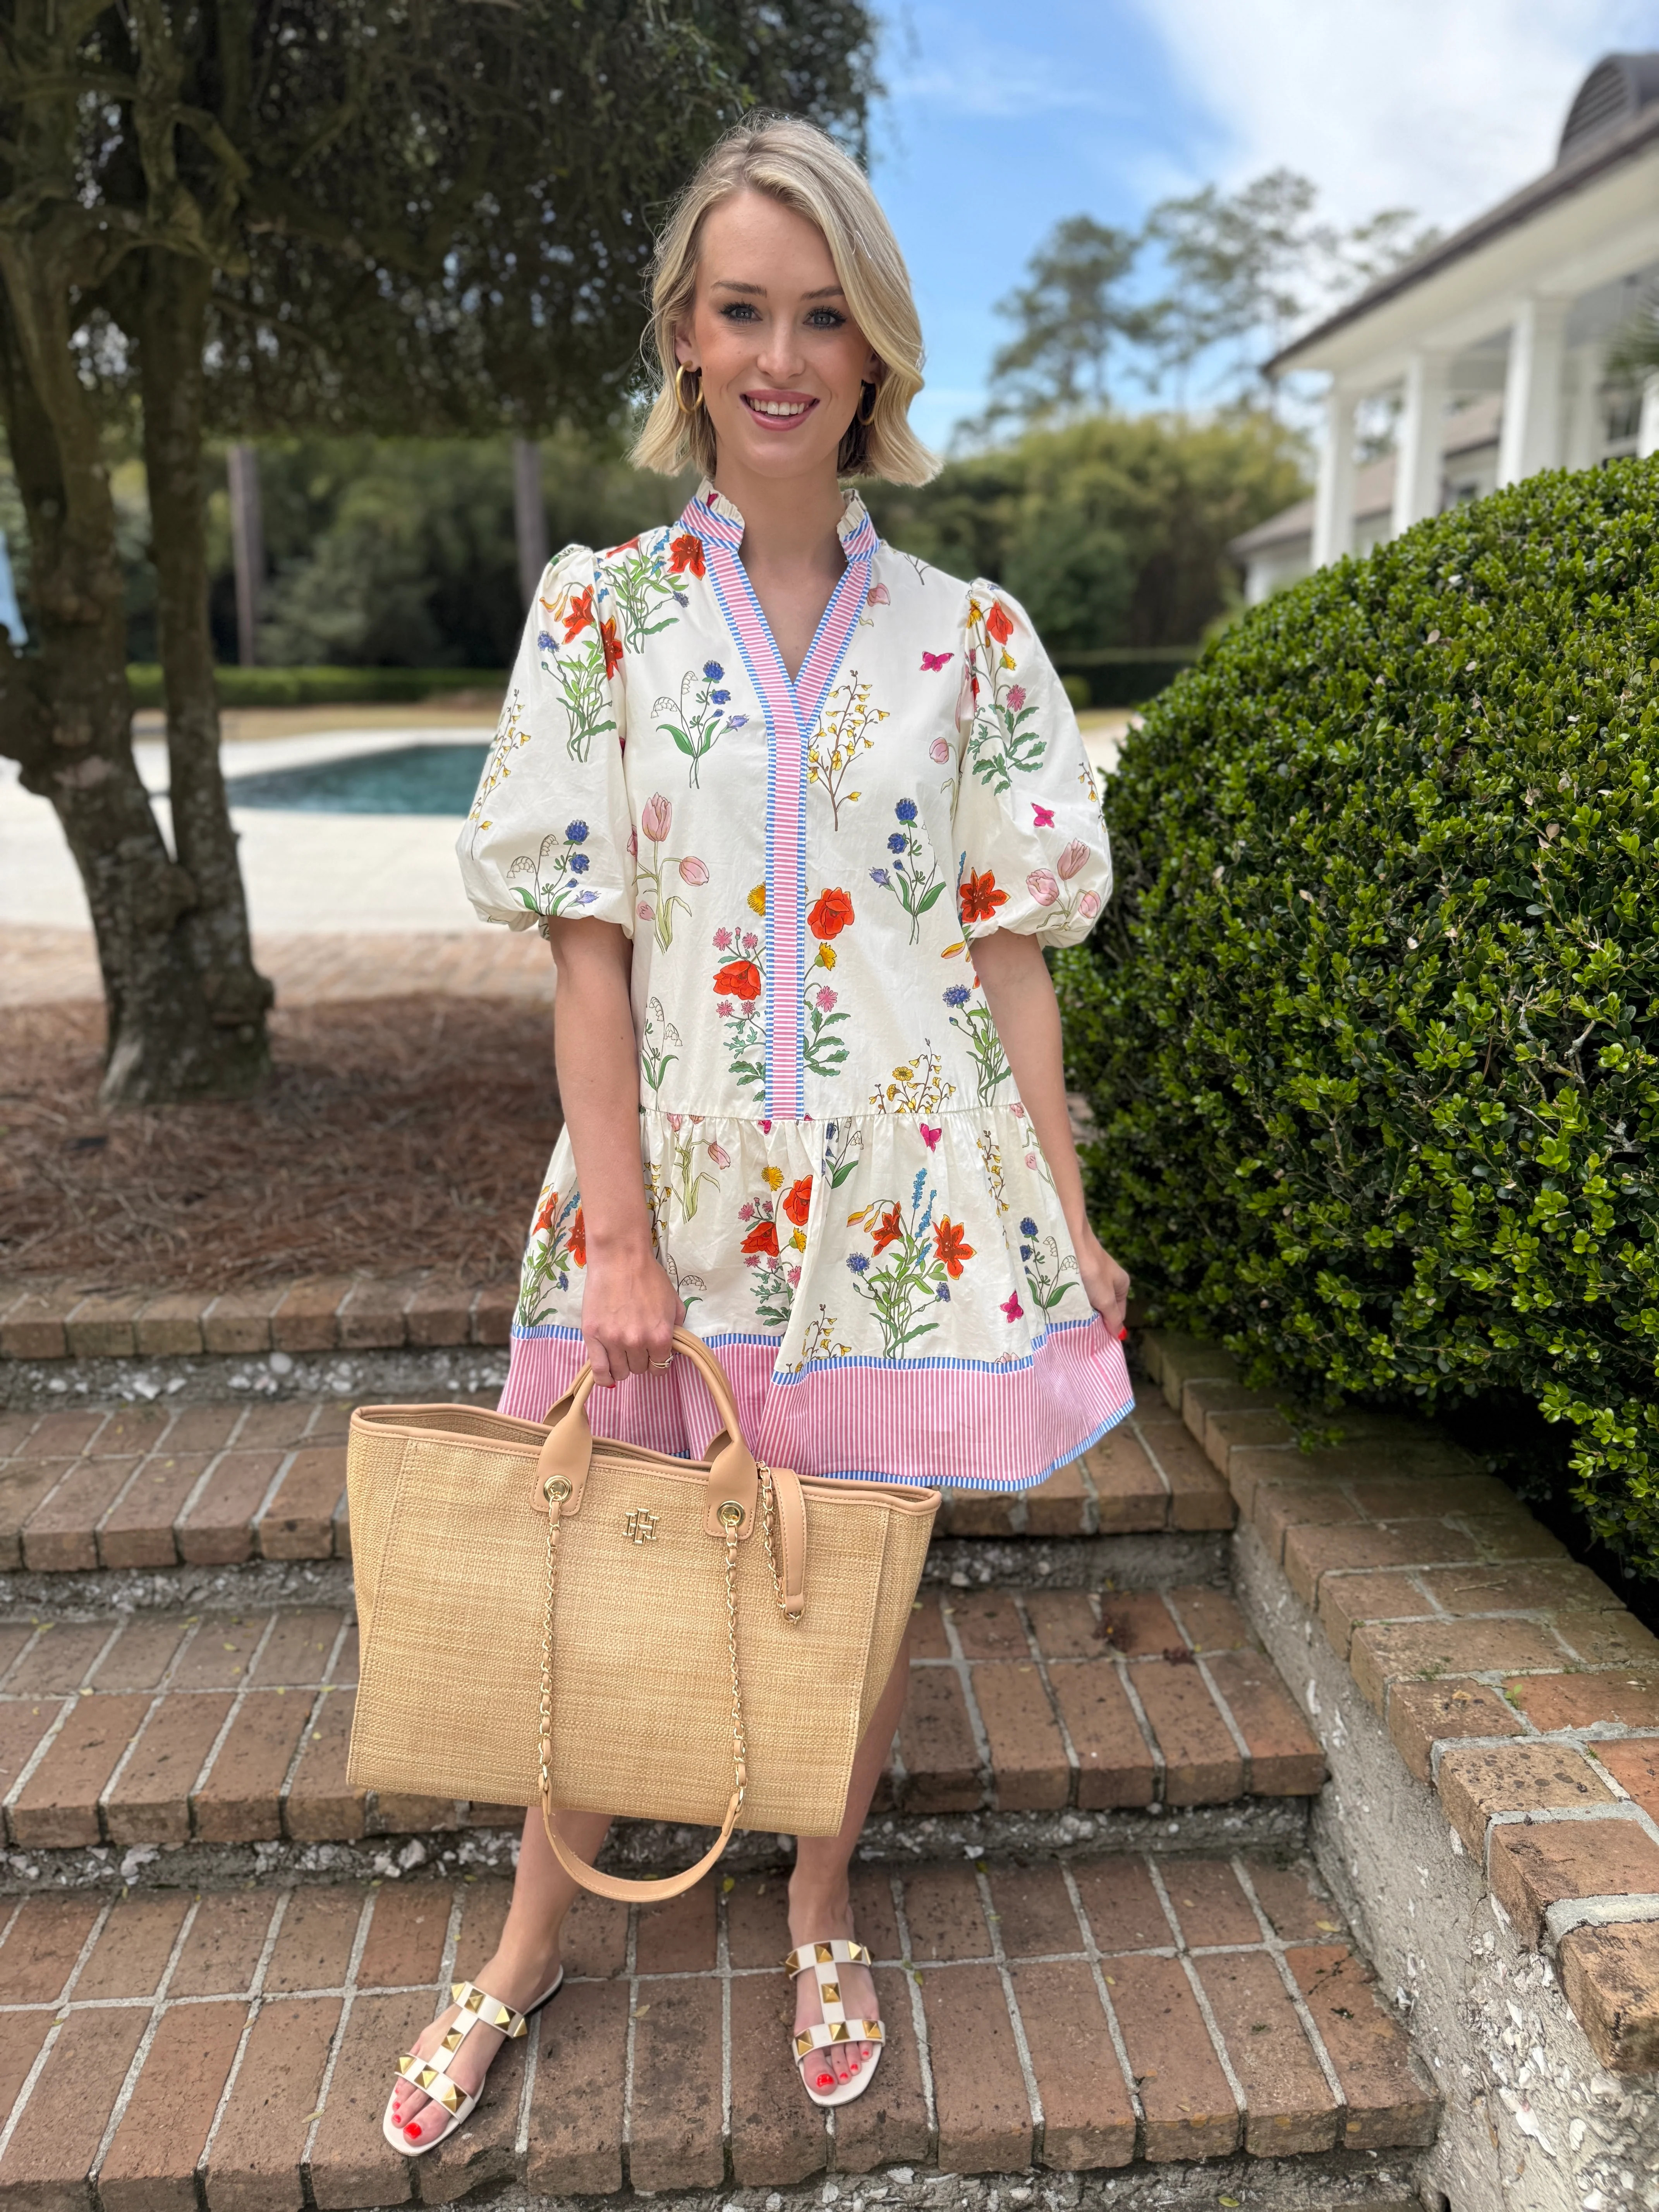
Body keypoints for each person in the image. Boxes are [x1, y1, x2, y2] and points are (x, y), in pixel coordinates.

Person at [386, 111, 1132, 2152]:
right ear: (687, 339)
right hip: (672, 1210)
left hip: (905, 1222)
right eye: (744, 311)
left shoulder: (969, 642)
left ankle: (819, 1905)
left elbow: (1010, 966)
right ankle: (525, 1945)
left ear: (876, 348)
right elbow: (590, 951)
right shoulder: (603, 617)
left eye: (824, 314)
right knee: (604, 1591)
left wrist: (1065, 1216)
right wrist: (617, 1238)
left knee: (850, 1598)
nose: (785, 353)